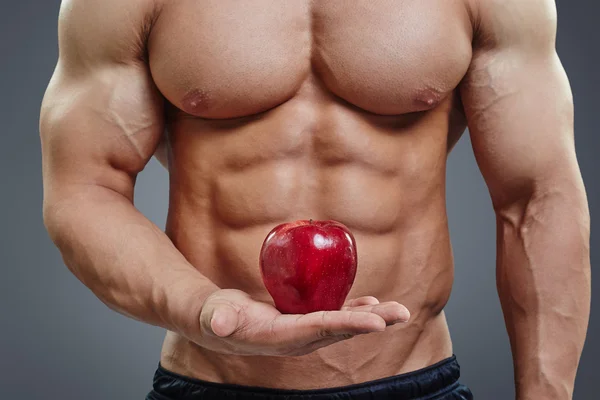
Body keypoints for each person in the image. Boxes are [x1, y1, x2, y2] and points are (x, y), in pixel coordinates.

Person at [40, 0, 591, 399]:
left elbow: (537, 197)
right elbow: (85, 190)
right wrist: (207, 311)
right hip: (210, 381)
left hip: (414, 383)